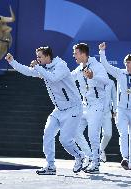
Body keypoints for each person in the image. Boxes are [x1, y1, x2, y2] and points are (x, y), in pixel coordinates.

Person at [5, 46, 85, 175]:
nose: (37, 59)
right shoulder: (43, 68)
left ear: (48, 56)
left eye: (40, 57)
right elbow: (28, 71)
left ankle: (80, 155)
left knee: (64, 140)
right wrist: (12, 62)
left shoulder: (61, 66)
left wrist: (38, 67)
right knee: (48, 134)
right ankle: (50, 166)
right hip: (58, 110)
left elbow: (53, 78)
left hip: (73, 108)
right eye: (37, 57)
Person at [98, 42, 131, 170]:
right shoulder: (120, 73)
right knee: (123, 134)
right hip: (121, 110)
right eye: (125, 62)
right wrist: (102, 52)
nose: (126, 65)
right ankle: (125, 158)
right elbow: (106, 66)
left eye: (129, 63)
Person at [71, 43, 109, 173]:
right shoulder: (79, 68)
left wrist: (93, 77)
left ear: (83, 54)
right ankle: (90, 156)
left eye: (75, 53)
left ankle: (96, 163)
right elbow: (69, 78)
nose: (73, 55)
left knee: (93, 135)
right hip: (84, 105)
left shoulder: (97, 66)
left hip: (97, 104)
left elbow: (106, 80)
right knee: (75, 131)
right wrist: (46, 75)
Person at [100, 78, 117, 163]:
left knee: (108, 134)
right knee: (93, 135)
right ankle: (91, 157)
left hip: (106, 112)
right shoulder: (92, 79)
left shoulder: (110, 82)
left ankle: (100, 150)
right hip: (94, 111)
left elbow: (114, 96)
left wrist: (115, 110)